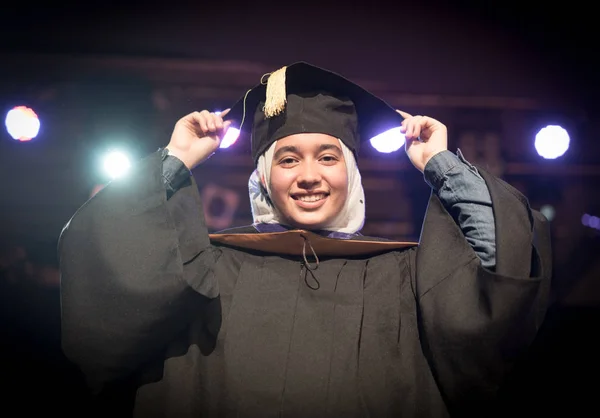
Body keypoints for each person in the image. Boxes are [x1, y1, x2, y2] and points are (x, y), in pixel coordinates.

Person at [58, 62, 552, 418]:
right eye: (288, 159)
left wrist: (441, 166)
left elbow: (503, 279)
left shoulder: (404, 276)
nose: (309, 176)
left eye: (328, 157)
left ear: (352, 173)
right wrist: (176, 158)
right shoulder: (208, 268)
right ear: (264, 177)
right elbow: (110, 268)